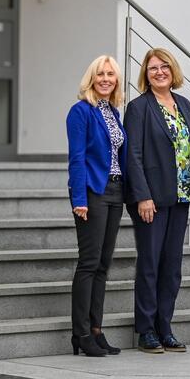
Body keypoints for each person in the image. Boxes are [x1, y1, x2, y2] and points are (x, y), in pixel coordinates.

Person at [124, 48, 190, 353]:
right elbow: (133, 155)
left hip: (180, 197)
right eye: (152, 68)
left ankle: (165, 326)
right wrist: (143, 196)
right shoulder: (139, 107)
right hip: (151, 199)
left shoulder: (184, 104)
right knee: (150, 264)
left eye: (164, 66)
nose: (159, 72)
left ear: (173, 70)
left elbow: (188, 148)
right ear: (146, 74)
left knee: (172, 266)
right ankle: (146, 330)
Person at [66, 55, 126, 357]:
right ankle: (80, 333)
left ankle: (96, 330)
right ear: (91, 78)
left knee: (103, 265)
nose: (106, 79)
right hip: (92, 192)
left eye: (111, 75)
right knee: (89, 263)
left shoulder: (114, 112)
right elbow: (76, 158)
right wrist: (79, 199)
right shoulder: (80, 112)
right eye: (100, 74)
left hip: (116, 192)